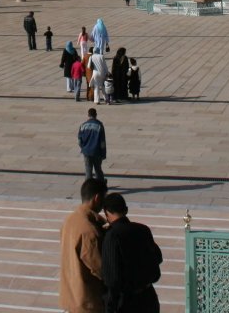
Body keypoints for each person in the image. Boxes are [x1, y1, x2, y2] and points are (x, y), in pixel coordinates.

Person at [100, 193, 163, 313]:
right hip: (148, 298)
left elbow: (112, 279)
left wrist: (110, 307)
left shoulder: (112, 236)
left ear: (106, 213)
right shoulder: (143, 230)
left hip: (126, 303)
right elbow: (158, 257)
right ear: (126, 210)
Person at [58, 178, 107, 313]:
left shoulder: (69, 220)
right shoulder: (89, 231)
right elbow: (100, 268)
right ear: (97, 198)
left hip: (70, 296)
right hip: (87, 302)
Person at [78, 108, 106, 181]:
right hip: (97, 152)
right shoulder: (99, 125)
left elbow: (79, 141)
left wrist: (83, 148)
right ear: (96, 115)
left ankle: (89, 187)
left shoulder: (83, 125)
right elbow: (102, 142)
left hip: (87, 152)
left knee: (88, 171)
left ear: (88, 115)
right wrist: (103, 154)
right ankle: (101, 186)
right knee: (98, 170)